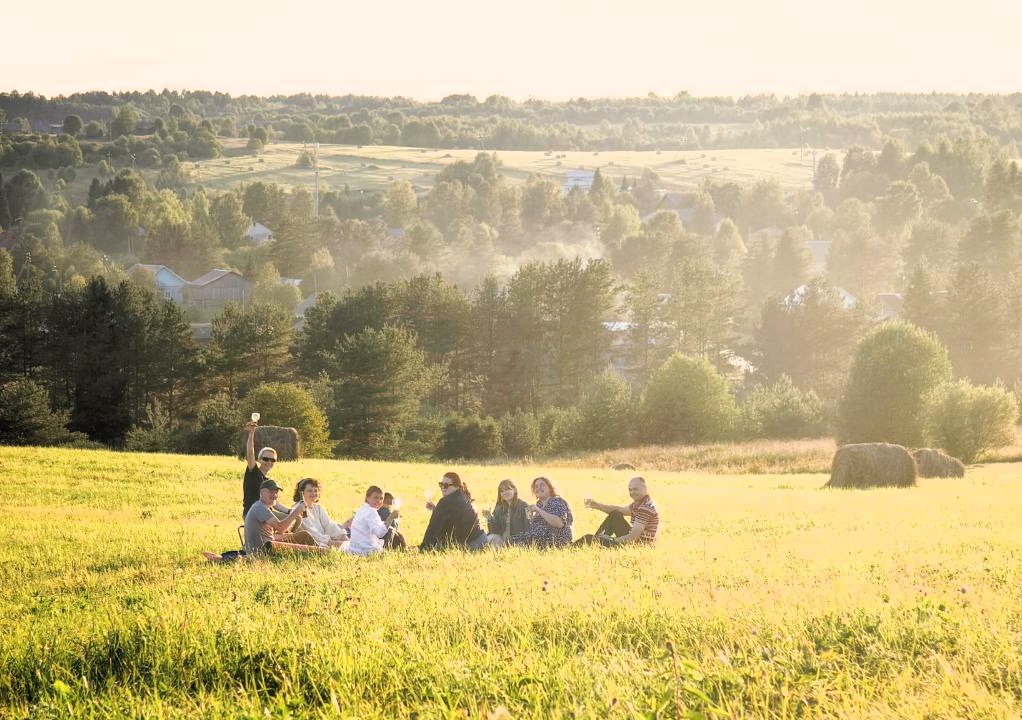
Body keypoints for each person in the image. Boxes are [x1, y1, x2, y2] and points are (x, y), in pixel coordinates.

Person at [574, 476, 659, 547]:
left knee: (588, 538)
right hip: (636, 542)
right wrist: (597, 505)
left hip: (637, 546)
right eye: (630, 490)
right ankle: (597, 540)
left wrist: (611, 539)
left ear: (645, 489)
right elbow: (620, 510)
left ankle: (574, 547)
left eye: (635, 489)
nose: (632, 492)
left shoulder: (645, 508)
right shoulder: (639, 504)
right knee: (615, 514)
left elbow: (633, 537)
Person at [420, 472, 488, 551]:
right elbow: (452, 519)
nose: (442, 488)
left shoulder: (446, 501)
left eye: (446, 485)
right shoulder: (463, 495)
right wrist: (436, 510)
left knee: (437, 546)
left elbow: (433, 527)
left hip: (470, 545)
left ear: (456, 486)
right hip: (482, 539)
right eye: (441, 484)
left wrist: (423, 548)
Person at [243, 479, 314, 555]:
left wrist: (290, 535)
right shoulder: (260, 508)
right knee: (304, 537)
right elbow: (281, 528)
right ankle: (322, 552)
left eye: (276, 492)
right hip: (263, 551)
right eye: (270, 492)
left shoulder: (260, 506)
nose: (274, 495)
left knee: (302, 535)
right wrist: (296, 512)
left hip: (264, 545)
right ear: (262, 493)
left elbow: (275, 533)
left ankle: (319, 551)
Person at [508, 476, 573, 548]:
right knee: (511, 540)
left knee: (517, 543)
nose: (538, 488)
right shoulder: (539, 504)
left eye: (542, 485)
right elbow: (534, 526)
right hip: (538, 538)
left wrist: (539, 510)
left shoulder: (556, 501)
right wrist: (529, 517)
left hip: (555, 538)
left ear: (550, 488)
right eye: (536, 486)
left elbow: (559, 523)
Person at [291, 478, 350, 549]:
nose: (313, 493)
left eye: (315, 491)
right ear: (302, 493)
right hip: (312, 543)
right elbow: (310, 530)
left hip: (324, 539)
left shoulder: (318, 508)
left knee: (346, 539)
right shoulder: (298, 508)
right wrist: (331, 542)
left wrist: (342, 536)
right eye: (309, 491)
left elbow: (328, 524)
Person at [348, 485, 401, 556]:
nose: (379, 501)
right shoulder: (371, 511)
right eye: (376, 497)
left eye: (381, 498)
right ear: (367, 497)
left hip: (353, 549)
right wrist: (391, 517)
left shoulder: (362, 509)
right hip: (365, 551)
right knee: (391, 532)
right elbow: (379, 533)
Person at [242, 420, 279, 519]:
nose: (269, 462)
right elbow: (250, 453)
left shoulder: (268, 481)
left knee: (296, 519)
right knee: (283, 525)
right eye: (266, 459)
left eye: (272, 460)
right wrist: (251, 433)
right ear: (259, 459)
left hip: (267, 513)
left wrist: (291, 511)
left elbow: (275, 504)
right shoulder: (253, 472)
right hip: (252, 513)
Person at [481, 479, 529, 548]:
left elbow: (528, 527)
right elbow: (494, 531)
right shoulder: (499, 508)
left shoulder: (524, 506)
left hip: (518, 541)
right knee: (489, 538)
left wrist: (524, 541)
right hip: (502, 541)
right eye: (502, 491)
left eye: (507, 489)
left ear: (514, 490)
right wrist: (490, 518)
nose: (505, 492)